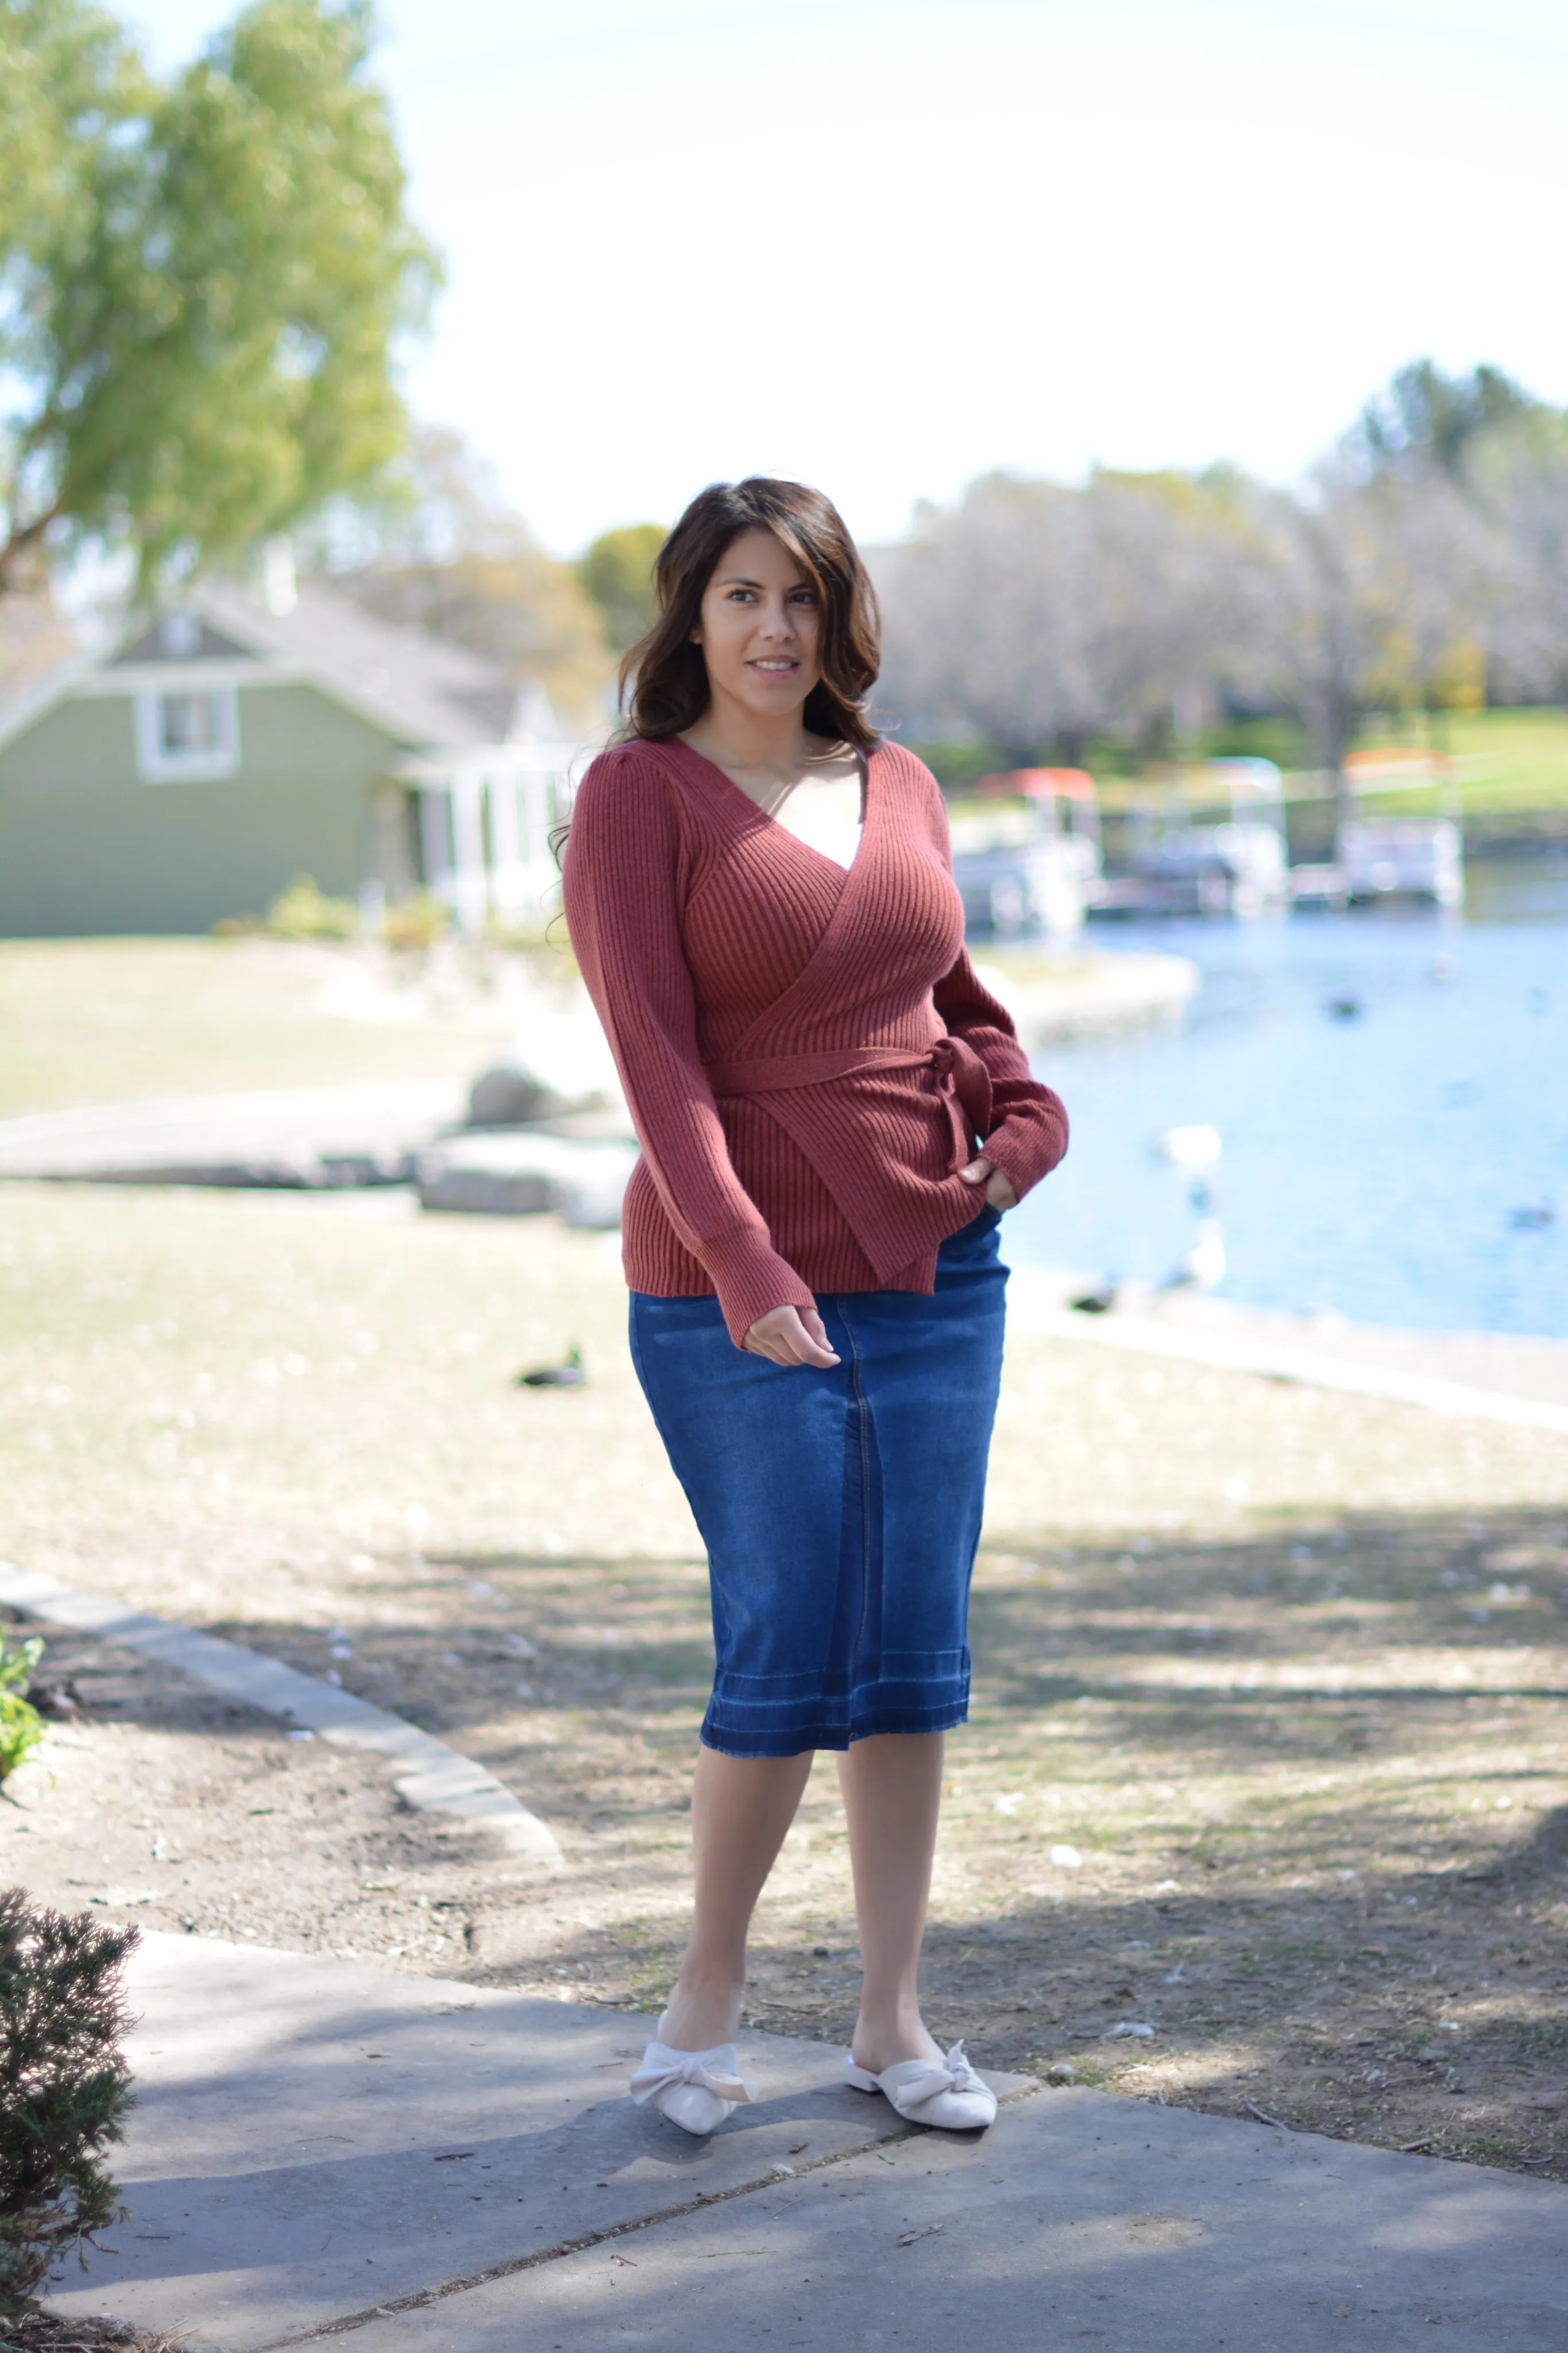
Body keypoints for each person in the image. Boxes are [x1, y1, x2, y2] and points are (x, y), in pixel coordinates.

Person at [562, 477, 1068, 2138]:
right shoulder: (639, 796)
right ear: (689, 618)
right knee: (785, 1642)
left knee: (913, 1657)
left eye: (802, 598)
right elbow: (656, 1066)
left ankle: (891, 2024)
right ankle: (701, 2011)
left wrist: (1020, 1122)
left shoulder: (899, 780)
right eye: (741, 597)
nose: (774, 628)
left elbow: (951, 1005)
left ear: (836, 617)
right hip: (730, 1289)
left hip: (936, 1270)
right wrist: (747, 1265)